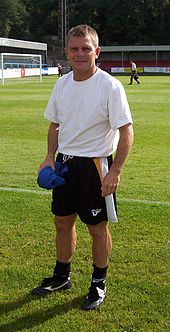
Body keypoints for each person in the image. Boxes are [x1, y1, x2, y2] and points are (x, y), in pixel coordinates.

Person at [31, 24, 134, 311]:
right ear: (66, 53)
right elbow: (55, 124)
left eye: (85, 48)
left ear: (96, 52)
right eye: (74, 49)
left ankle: (98, 282)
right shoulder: (62, 83)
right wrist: (49, 156)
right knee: (62, 222)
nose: (79, 54)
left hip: (95, 165)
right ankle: (62, 276)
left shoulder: (109, 86)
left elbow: (126, 131)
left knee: (97, 228)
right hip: (64, 164)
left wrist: (115, 171)